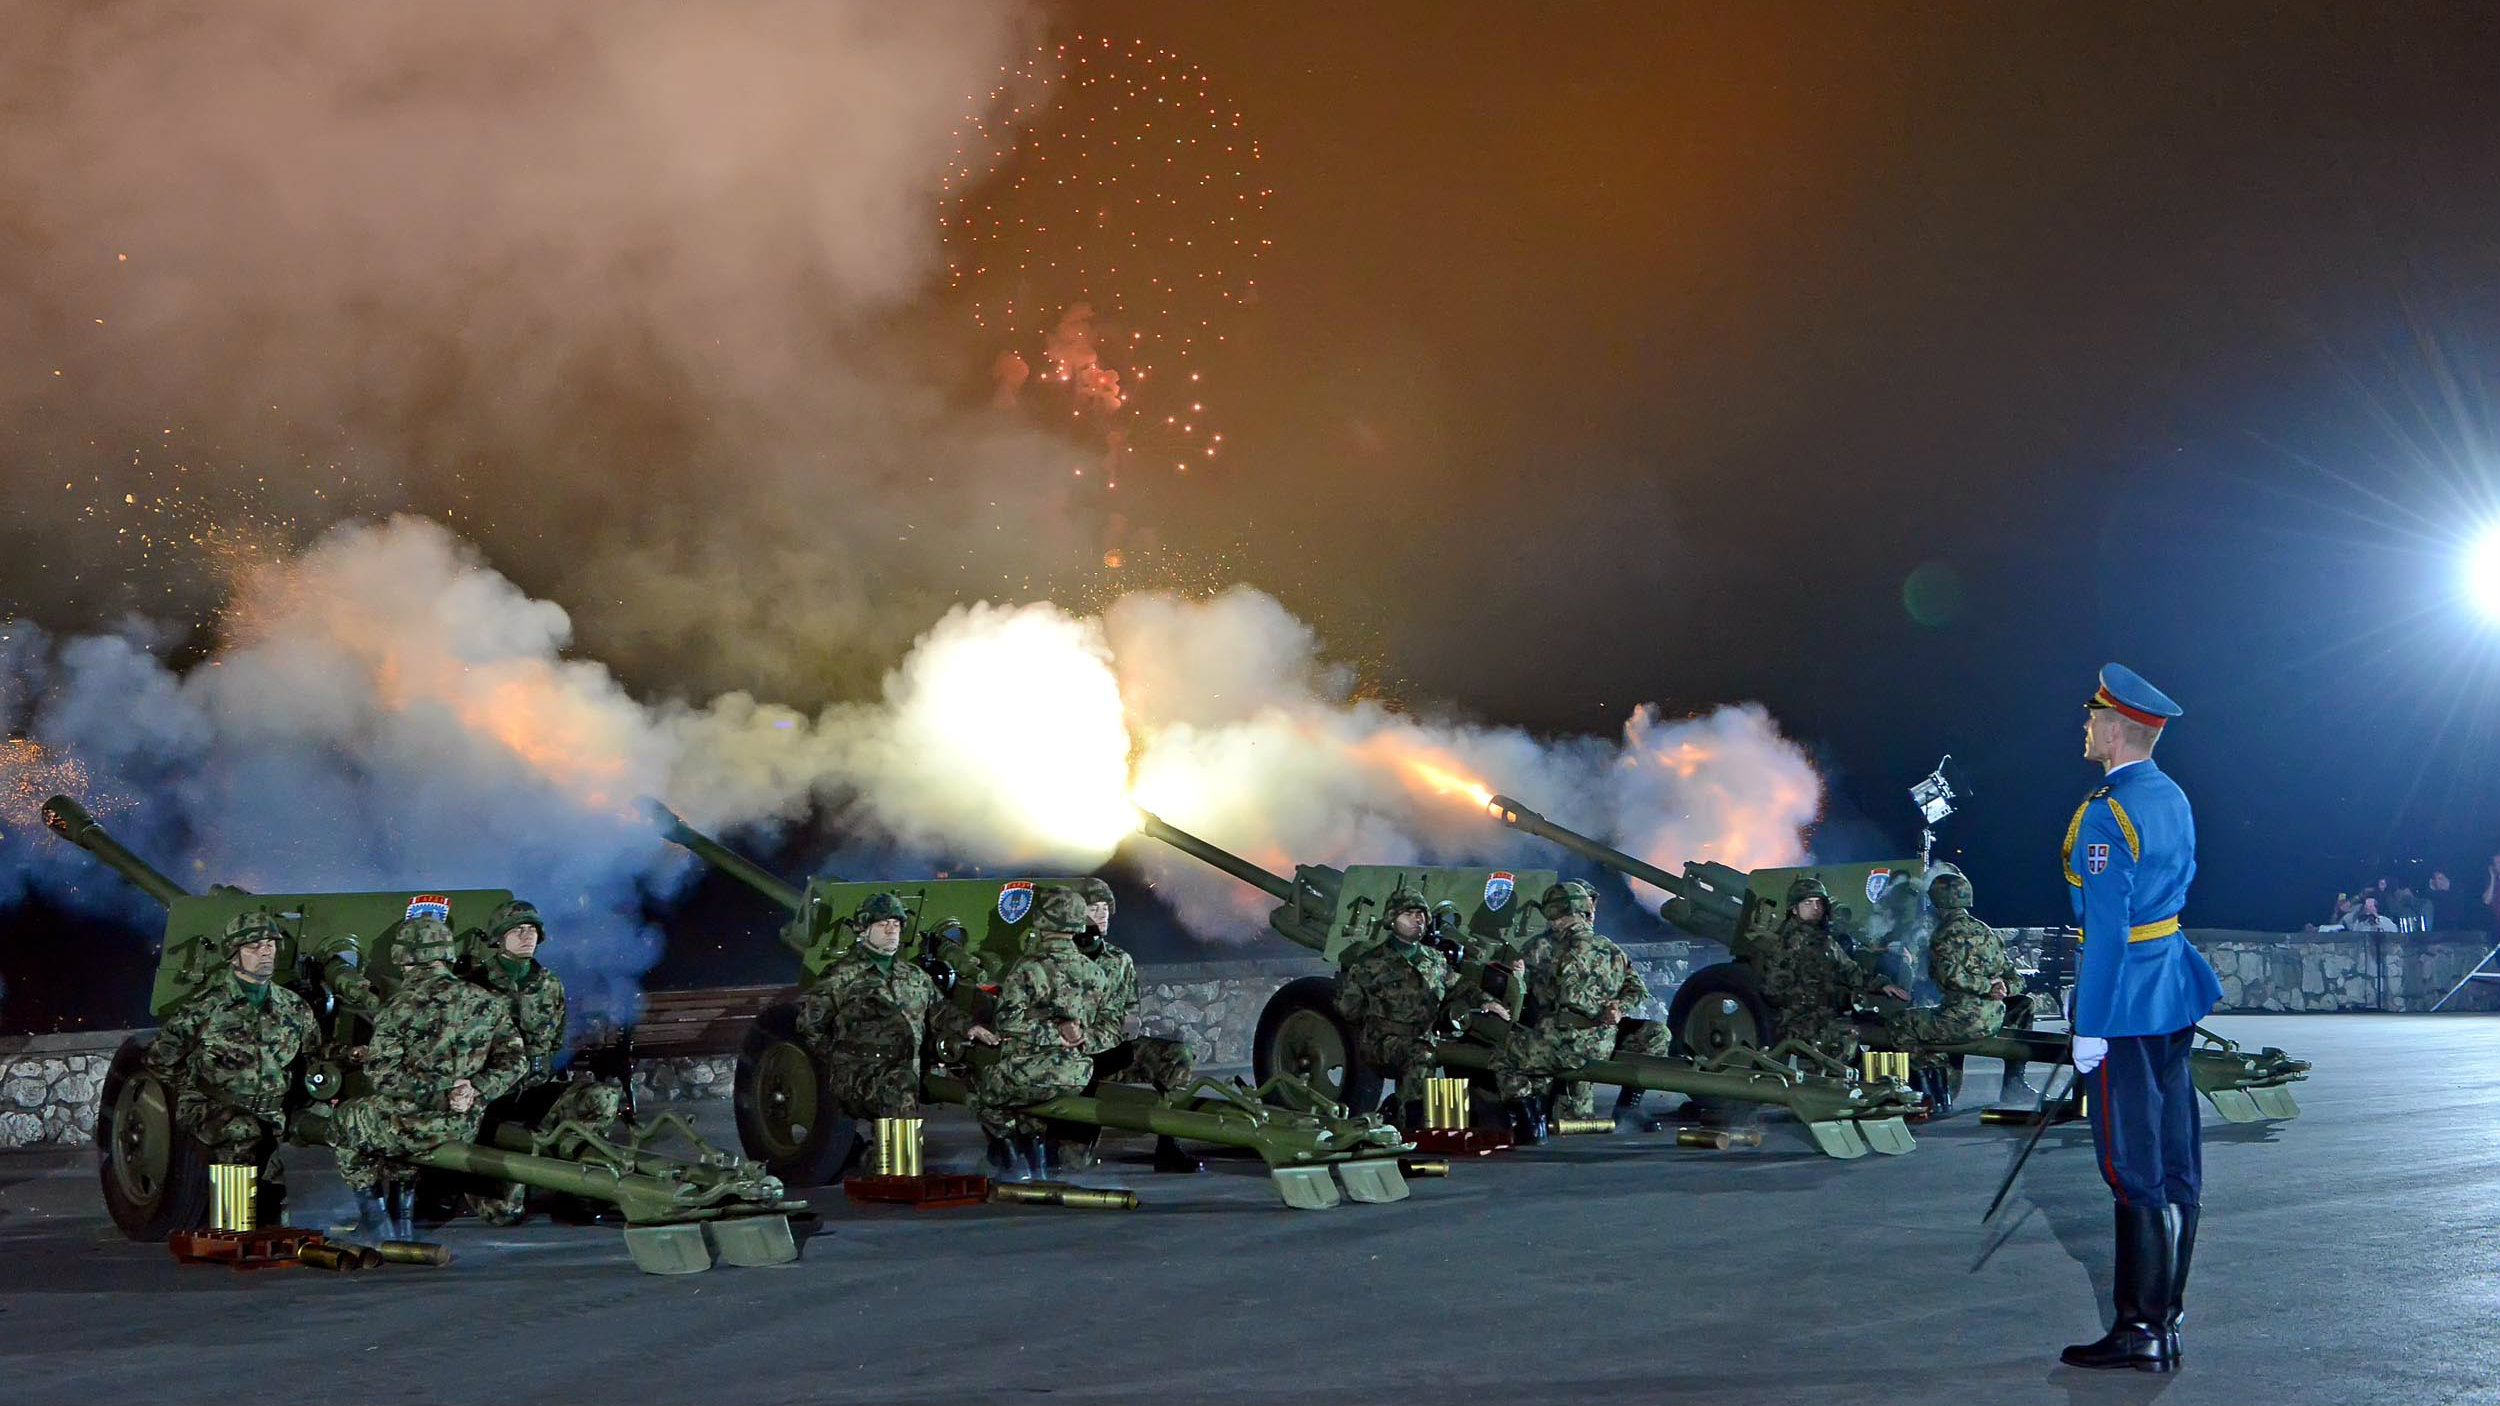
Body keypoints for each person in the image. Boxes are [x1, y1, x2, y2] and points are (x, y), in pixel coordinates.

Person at [2057, 663, 2222, 1374]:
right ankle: (2168, 1319)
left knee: (2131, 1166)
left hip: (2125, 1002)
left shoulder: (2104, 811)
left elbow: (2107, 929)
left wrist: (2088, 1026)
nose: (2086, 725)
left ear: (2119, 729)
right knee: (2175, 1158)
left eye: (2094, 716)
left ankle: (2140, 1330)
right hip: (2173, 993)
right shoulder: (2173, 797)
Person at [328, 916, 528, 1242]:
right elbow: (515, 1062)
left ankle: (376, 1223)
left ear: (404, 959)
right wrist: (474, 1088)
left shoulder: (398, 1007)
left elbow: (382, 1073)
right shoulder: (488, 1003)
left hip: (414, 1123)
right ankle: (403, 1219)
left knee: (346, 1121)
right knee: (389, 1121)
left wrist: (436, 1092)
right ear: (445, 954)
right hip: (466, 1123)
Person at [144, 912, 320, 1226]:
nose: (266, 952)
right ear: (234, 954)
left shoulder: (294, 1008)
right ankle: (230, 1227)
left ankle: (259, 1230)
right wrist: (195, 1091)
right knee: (242, 1133)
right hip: (217, 1109)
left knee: (268, 1192)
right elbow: (160, 1057)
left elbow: (314, 1053)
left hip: (270, 1113)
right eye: (254, 946)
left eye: (270, 944)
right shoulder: (206, 1007)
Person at [460, 899, 625, 1223]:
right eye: (518, 930)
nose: (527, 936)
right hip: (491, 1100)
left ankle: (577, 1188)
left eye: (532, 930)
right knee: (504, 1213)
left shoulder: (549, 984)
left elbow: (556, 1038)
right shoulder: (472, 986)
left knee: (602, 1097)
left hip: (537, 1090)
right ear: (499, 937)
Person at [798, 892, 994, 1152]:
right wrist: (841, 1059)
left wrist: (970, 1027)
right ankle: (895, 1173)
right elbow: (810, 1025)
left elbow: (939, 1009)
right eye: (882, 925)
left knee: (903, 1106)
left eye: (896, 924)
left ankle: (892, 1171)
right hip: (861, 1076)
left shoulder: (912, 975)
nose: (891, 931)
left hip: (904, 1074)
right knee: (899, 1101)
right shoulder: (842, 976)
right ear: (864, 930)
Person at [1490, 880, 1670, 1143]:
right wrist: (1618, 1010)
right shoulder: (1611, 949)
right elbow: (1638, 989)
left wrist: (1513, 981)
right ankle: (1624, 1110)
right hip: (1603, 1042)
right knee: (1573, 1118)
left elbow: (1516, 992)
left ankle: (1530, 1123)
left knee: (1502, 1058)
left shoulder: (1539, 948)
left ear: (1555, 915)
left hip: (1562, 1044)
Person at [1337, 884, 1511, 1129]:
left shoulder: (1435, 959)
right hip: (1384, 1042)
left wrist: (1487, 1002)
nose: (1417, 920)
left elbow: (1460, 986)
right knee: (1420, 1055)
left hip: (1426, 1037)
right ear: (1392, 919)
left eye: (1421, 915)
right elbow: (1348, 1009)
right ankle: (1413, 1123)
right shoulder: (1370, 964)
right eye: (1409, 914)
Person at [969, 885, 1109, 1182]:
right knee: (1027, 1104)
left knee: (978, 1090)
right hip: (1077, 1073)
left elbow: (1007, 1021)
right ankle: (1038, 1161)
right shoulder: (1095, 972)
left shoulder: (1029, 968)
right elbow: (1095, 1027)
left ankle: (1009, 1158)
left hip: (1030, 1071)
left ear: (1043, 921)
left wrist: (1052, 1034)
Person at [1071, 877, 1201, 1173]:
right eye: (1093, 907)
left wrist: (1129, 1022)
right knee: (1071, 1163)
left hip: (1113, 1048)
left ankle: (1168, 1144)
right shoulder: (1060, 961)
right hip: (1076, 1056)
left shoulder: (1119, 961)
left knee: (1176, 1055)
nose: (1102, 914)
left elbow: (1129, 1009)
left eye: (1105, 907)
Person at [1881, 867, 2023, 1114]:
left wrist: (1985, 987)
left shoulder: (1943, 935)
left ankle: (1931, 1094)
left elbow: (1951, 977)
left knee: (1901, 1023)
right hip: (1993, 1019)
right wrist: (2004, 987)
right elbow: (2016, 977)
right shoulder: (1986, 932)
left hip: (1961, 1021)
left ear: (1937, 903)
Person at [1749, 876, 1909, 1063]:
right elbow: (1773, 992)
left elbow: (1850, 971)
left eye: (1819, 903)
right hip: (1797, 1024)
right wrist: (1813, 997)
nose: (1815, 908)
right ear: (1794, 909)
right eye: (1808, 903)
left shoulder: (1825, 942)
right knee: (1844, 1042)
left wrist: (1881, 985)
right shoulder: (1783, 945)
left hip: (1824, 1019)